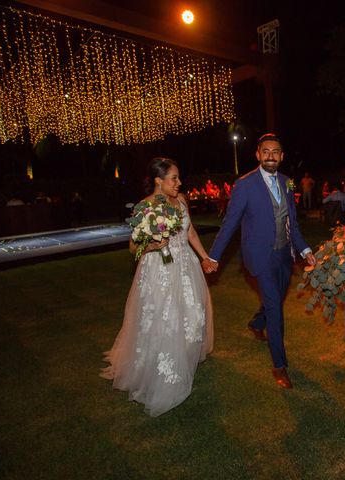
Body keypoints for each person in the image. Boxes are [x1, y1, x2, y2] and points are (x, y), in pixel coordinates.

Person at [100, 157, 214, 417]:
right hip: (159, 271)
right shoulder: (145, 206)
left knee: (195, 314)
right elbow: (133, 247)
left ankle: (185, 356)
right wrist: (153, 245)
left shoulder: (181, 200)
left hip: (186, 266)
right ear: (158, 181)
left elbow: (190, 233)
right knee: (165, 319)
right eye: (174, 178)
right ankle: (163, 369)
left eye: (179, 177)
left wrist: (204, 257)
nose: (179, 182)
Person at [203, 133, 316, 389]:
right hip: (260, 256)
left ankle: (256, 323)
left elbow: (292, 223)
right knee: (276, 308)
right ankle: (280, 365)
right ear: (258, 154)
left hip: (284, 255)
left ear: (282, 156)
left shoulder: (287, 183)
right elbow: (230, 223)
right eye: (266, 151)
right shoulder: (245, 185)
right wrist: (214, 256)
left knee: (274, 298)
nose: (271, 156)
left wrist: (305, 249)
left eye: (275, 152)